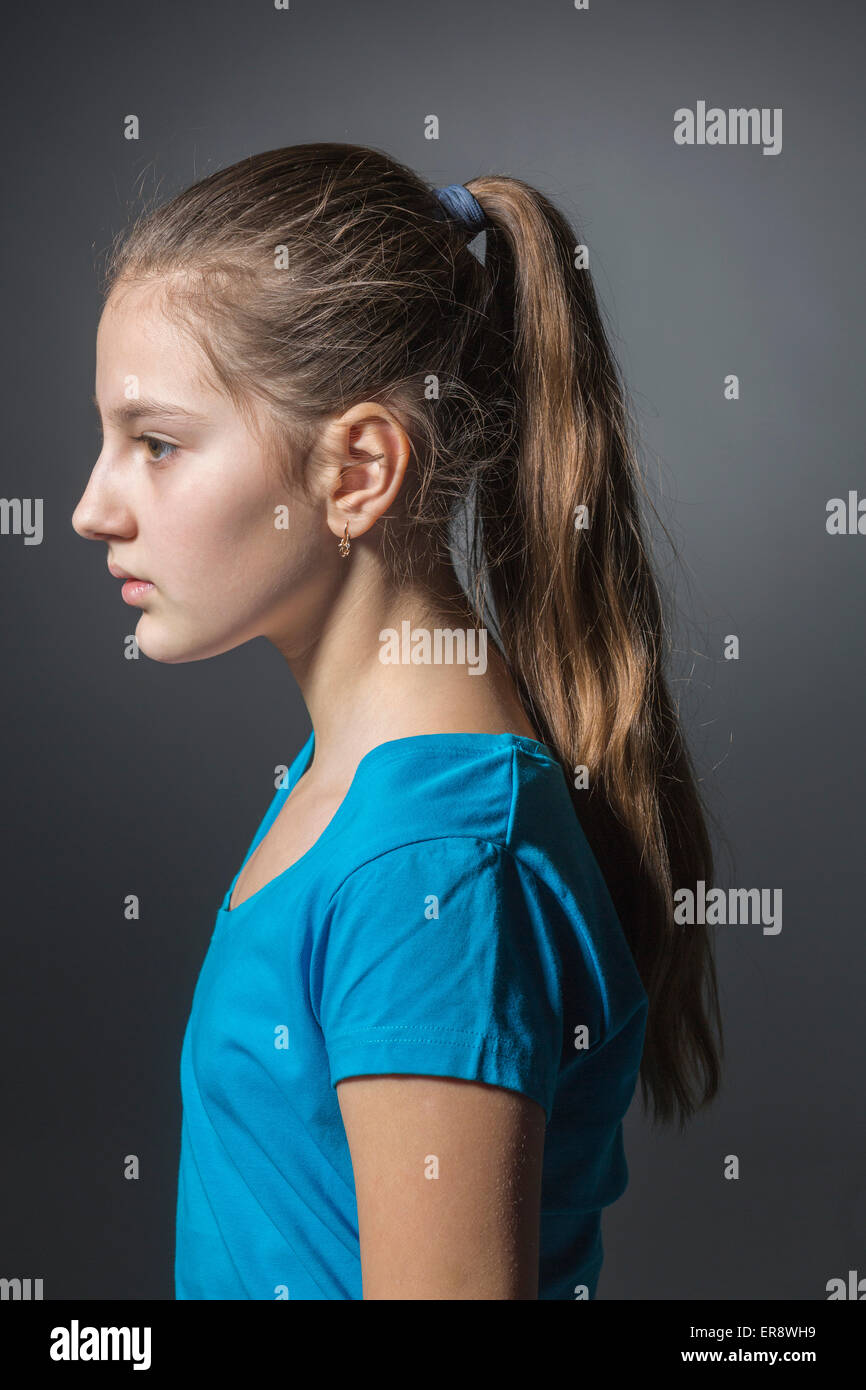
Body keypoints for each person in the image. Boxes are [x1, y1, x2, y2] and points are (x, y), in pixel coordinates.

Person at [72, 142, 723, 1300]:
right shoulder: (357, 788)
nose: (88, 508)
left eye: (155, 444)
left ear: (357, 469)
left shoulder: (431, 872)